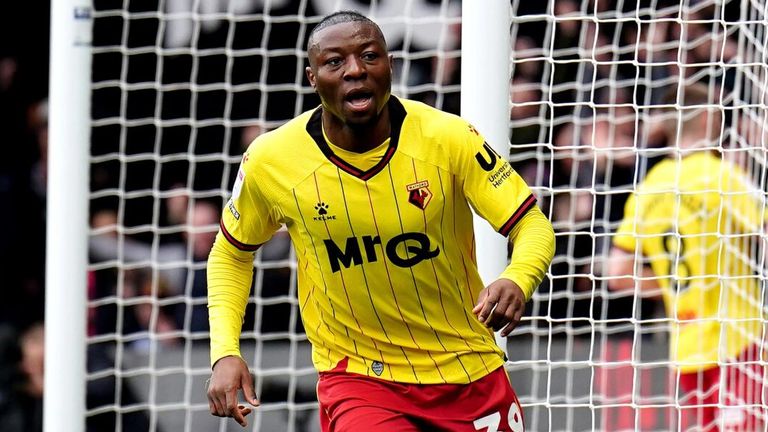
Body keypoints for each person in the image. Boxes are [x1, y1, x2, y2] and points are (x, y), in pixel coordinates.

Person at [206, 10, 555, 431]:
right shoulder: (271, 161)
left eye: (369, 56)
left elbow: (531, 223)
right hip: (359, 379)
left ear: (390, 65)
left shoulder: (449, 138)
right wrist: (225, 351)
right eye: (335, 62)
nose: (355, 70)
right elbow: (230, 254)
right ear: (312, 78)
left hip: (467, 367)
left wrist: (518, 277)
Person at [607, 82, 766, 431]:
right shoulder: (721, 176)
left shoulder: (647, 189)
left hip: (687, 352)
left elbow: (617, 272)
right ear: (710, 118)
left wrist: (668, 287)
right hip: (739, 340)